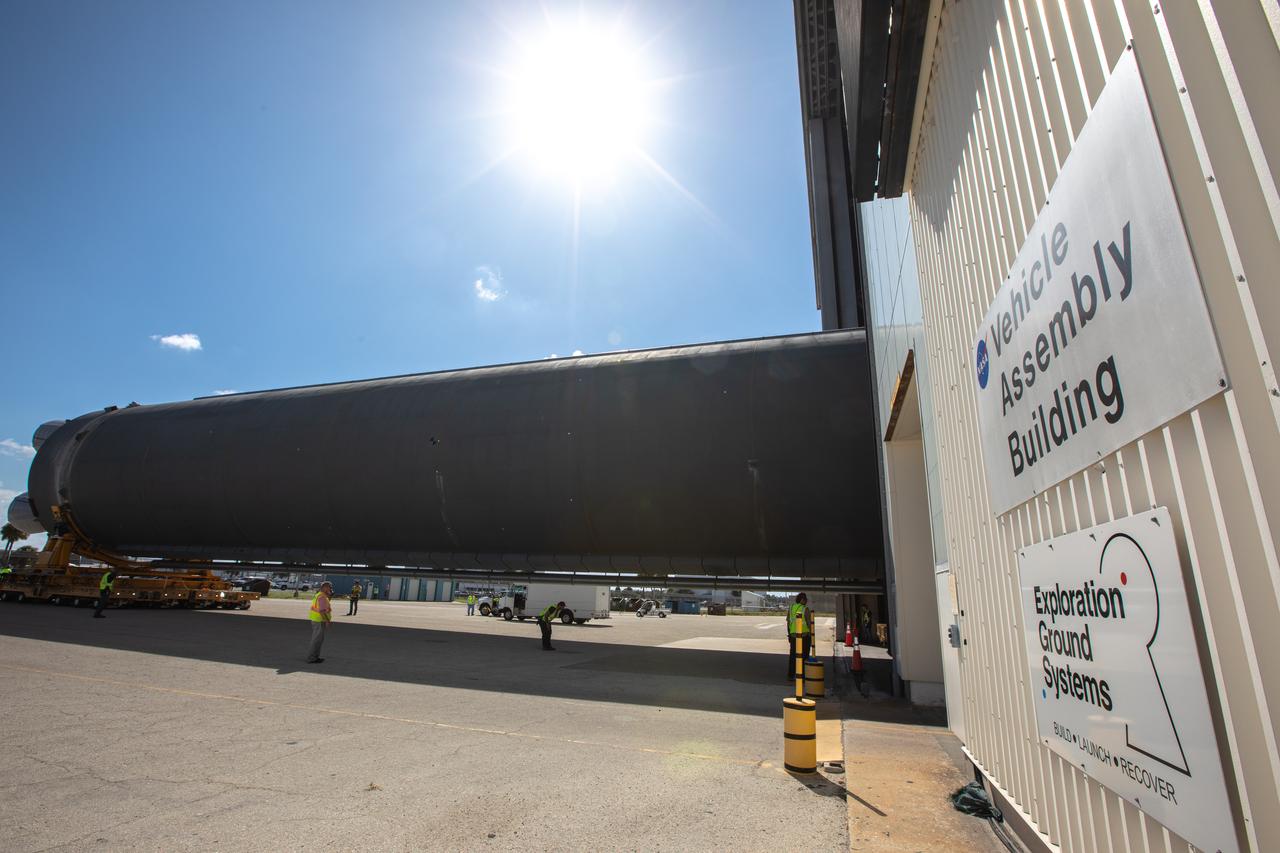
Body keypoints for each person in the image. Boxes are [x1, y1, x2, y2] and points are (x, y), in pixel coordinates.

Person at [786, 593, 813, 681]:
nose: (806, 601)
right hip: (804, 636)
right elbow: (809, 624)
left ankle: (791, 675)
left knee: (793, 656)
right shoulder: (805, 609)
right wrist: (811, 635)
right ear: (802, 600)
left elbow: (788, 622)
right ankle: (802, 675)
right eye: (805, 600)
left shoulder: (791, 608)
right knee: (804, 656)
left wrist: (789, 634)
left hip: (793, 635)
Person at [306, 581, 334, 663]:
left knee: (318, 640)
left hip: (317, 620)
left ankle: (315, 657)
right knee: (316, 640)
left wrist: (329, 595)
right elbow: (322, 611)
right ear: (324, 587)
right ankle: (311, 658)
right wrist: (327, 621)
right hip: (319, 620)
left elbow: (325, 605)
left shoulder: (320, 595)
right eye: (329, 587)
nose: (331, 589)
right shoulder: (322, 597)